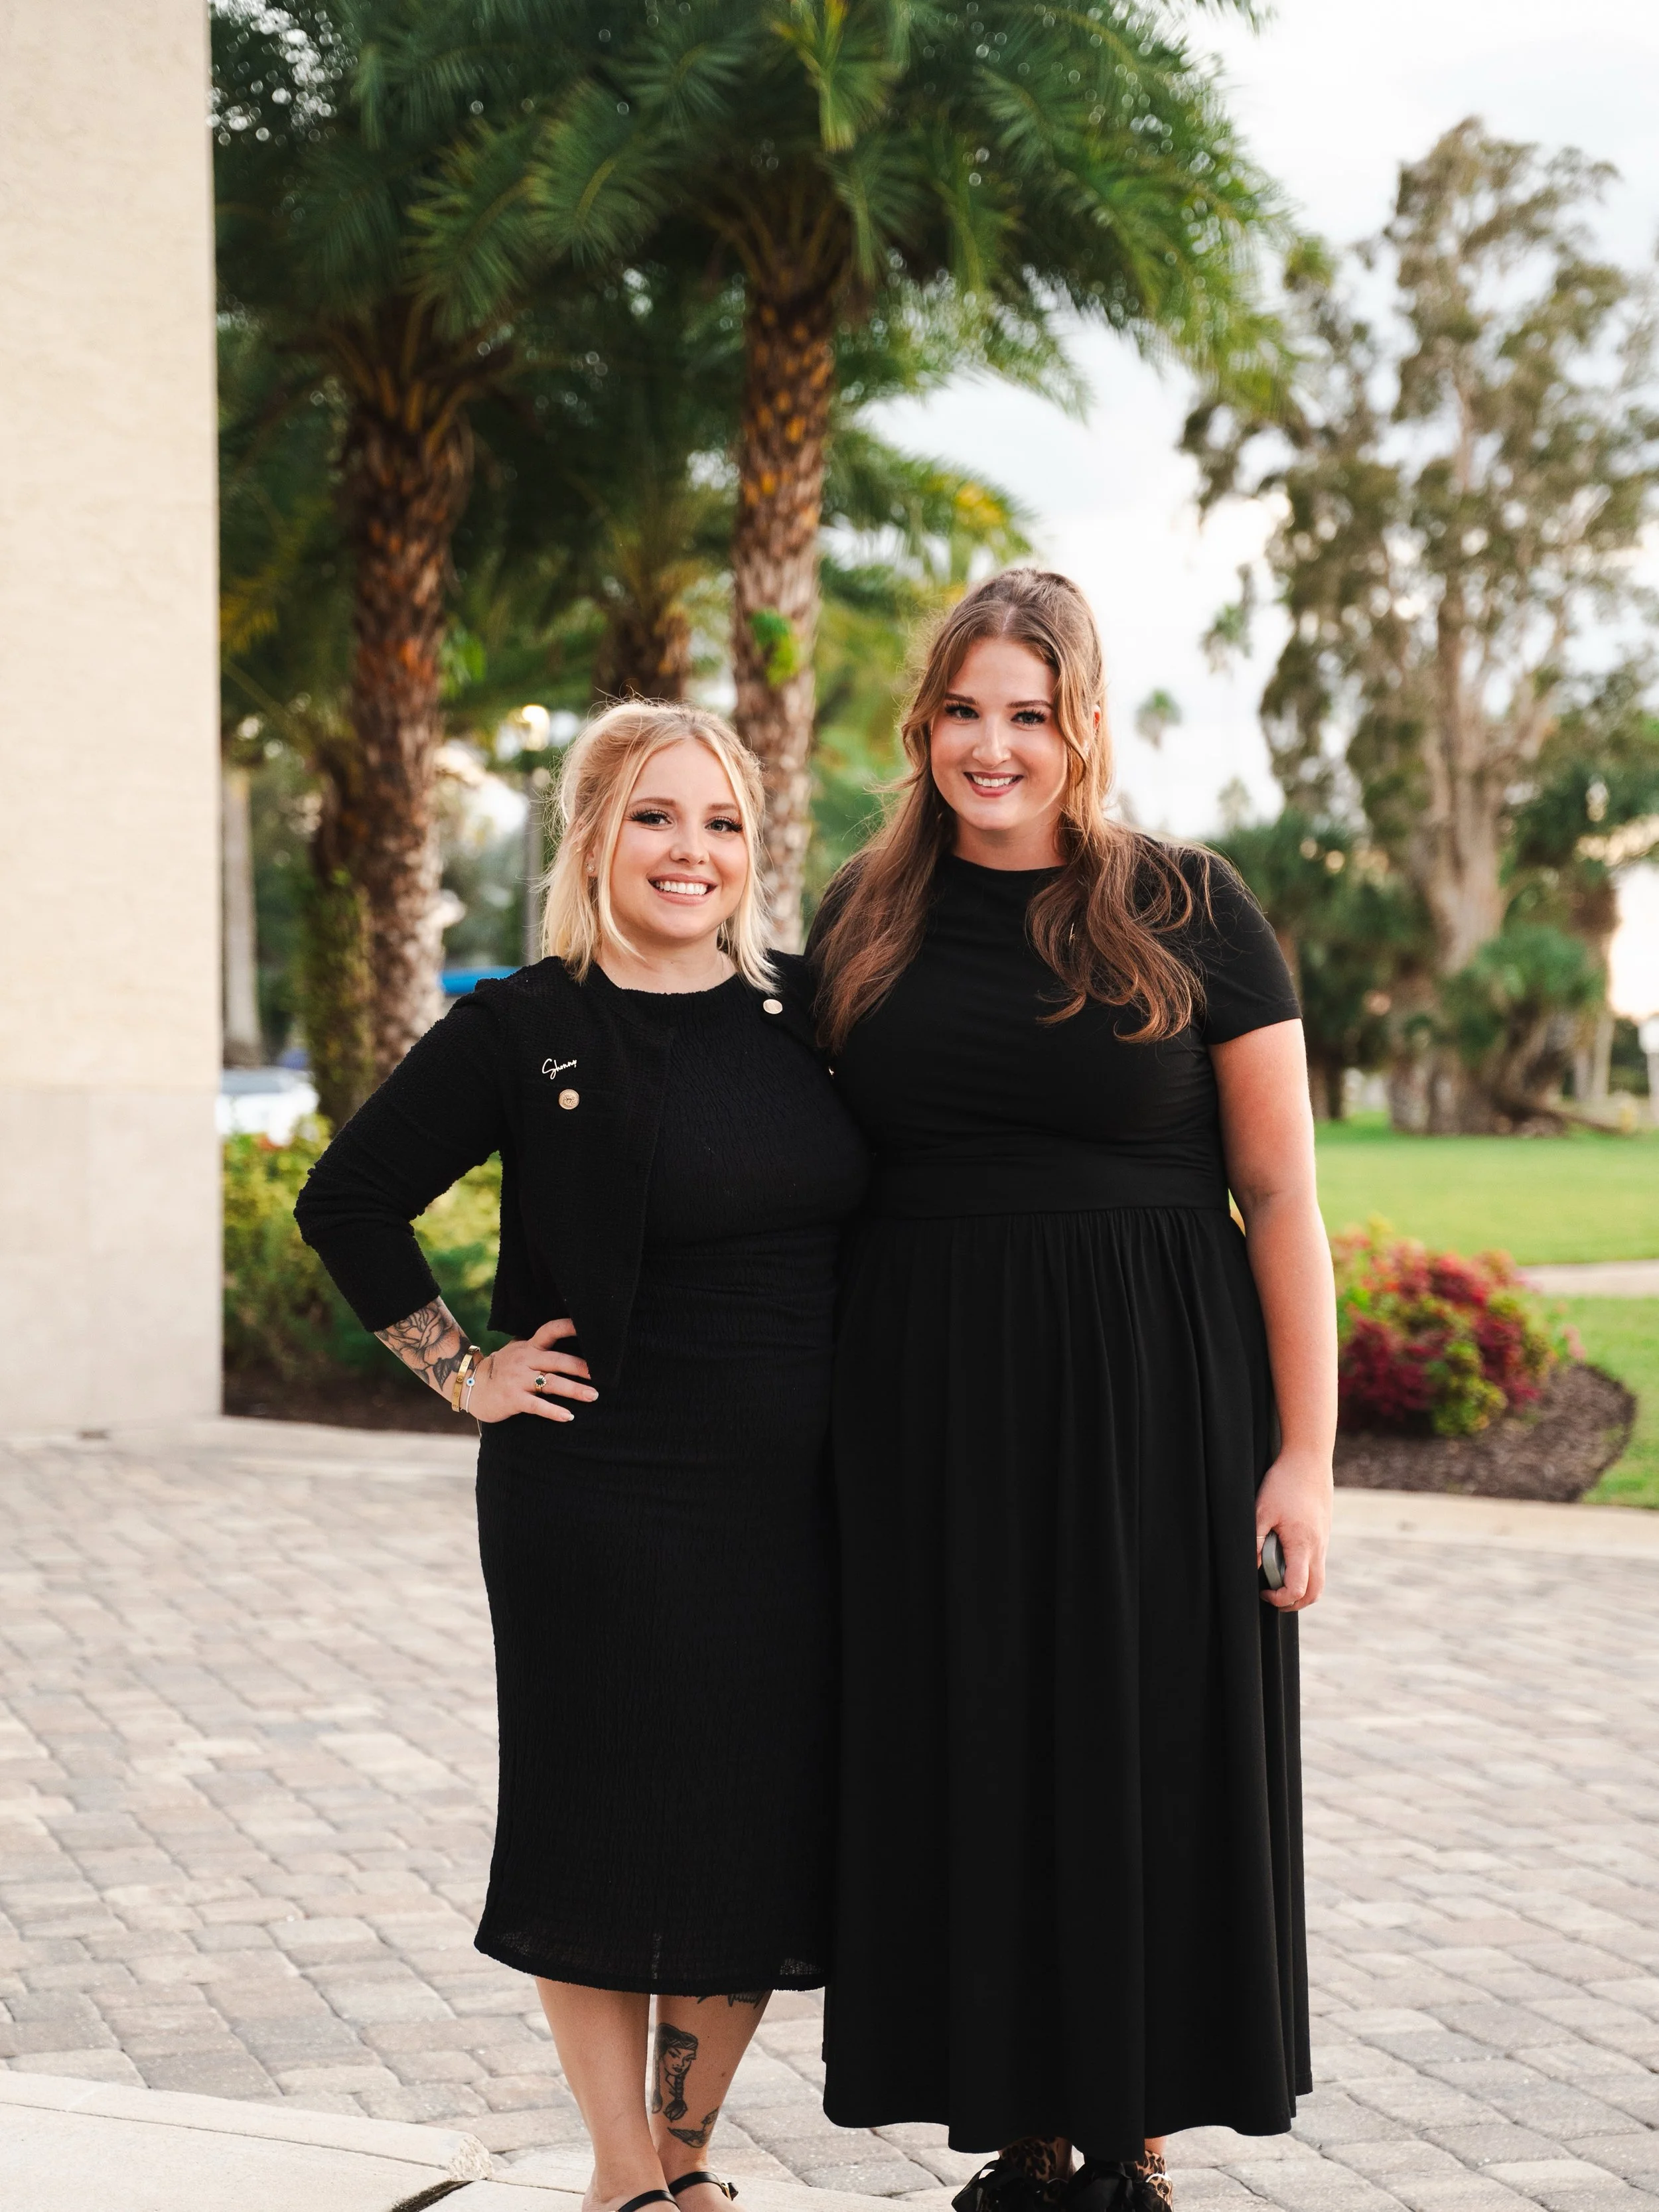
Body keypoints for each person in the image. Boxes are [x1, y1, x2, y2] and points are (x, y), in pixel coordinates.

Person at [295, 703, 867, 2212]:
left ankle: (686, 2149)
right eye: (655, 816)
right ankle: (622, 2169)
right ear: (593, 837)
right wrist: (464, 1373)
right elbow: (347, 1198)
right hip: (592, 1500)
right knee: (595, 1820)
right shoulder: (524, 1023)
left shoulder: (811, 1014)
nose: (692, 850)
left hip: (791, 1504)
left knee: (761, 1822)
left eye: (721, 821)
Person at [808, 570, 1333, 2212]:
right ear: (924, 724)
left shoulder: (1188, 903)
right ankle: (1018, 2123)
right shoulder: (860, 912)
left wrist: (1303, 1456)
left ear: (1080, 723)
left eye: (1027, 712)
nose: (991, 744)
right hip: (927, 1416)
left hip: (1156, 1409)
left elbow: (1283, 1192)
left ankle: (1137, 2136)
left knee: (1142, 1741)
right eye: (962, 709)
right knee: (972, 1740)